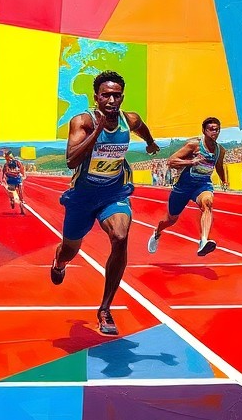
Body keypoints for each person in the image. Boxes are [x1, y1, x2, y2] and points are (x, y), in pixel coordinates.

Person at [49, 71, 160, 338]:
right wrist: (97, 132)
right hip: (83, 197)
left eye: (116, 95)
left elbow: (141, 126)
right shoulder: (83, 121)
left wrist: (151, 142)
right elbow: (71, 160)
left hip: (113, 192)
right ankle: (59, 262)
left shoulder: (128, 119)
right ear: (96, 97)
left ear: (122, 97)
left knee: (120, 236)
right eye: (106, 95)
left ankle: (104, 309)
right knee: (69, 250)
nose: (112, 100)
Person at [149, 116, 226, 256]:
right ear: (204, 130)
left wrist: (224, 179)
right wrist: (191, 162)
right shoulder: (194, 145)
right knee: (170, 220)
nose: (215, 132)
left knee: (207, 203)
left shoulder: (220, 151)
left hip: (202, 185)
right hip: (183, 186)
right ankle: (157, 232)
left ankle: (203, 241)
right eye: (211, 129)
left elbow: (219, 166)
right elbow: (171, 161)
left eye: (217, 130)